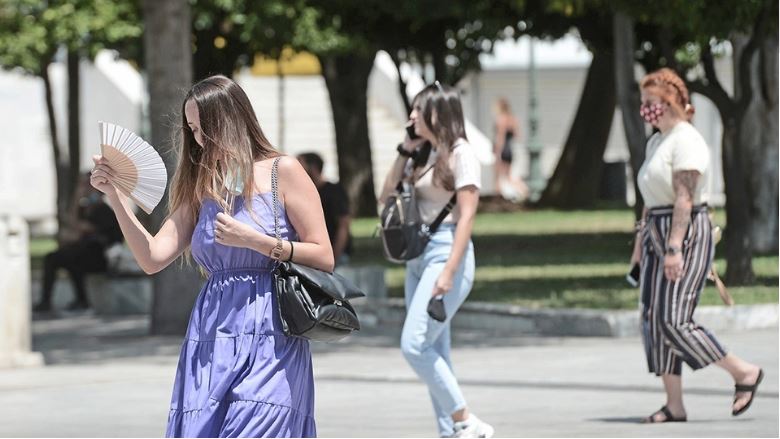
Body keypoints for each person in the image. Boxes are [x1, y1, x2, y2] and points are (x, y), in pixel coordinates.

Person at [90, 75, 333, 437]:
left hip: (273, 330)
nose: (199, 139)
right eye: (192, 130)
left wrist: (256, 241)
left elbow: (323, 255)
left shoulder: (284, 171)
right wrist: (117, 200)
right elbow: (153, 257)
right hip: (213, 331)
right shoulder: (201, 184)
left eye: (205, 127)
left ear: (232, 120)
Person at [631, 68, 763, 423]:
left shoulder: (686, 140)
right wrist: (640, 245)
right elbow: (649, 198)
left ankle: (743, 372)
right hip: (656, 230)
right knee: (654, 321)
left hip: (685, 232)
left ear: (669, 101)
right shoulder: (656, 141)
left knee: (674, 320)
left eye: (649, 102)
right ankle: (674, 405)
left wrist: (674, 247)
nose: (644, 109)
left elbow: (684, 198)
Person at [379, 82, 494, 438]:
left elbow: (468, 216)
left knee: (414, 345)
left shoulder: (461, 153)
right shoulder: (424, 152)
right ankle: (452, 432)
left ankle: (466, 420)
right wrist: (404, 152)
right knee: (434, 348)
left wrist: (448, 270)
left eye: (417, 109)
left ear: (436, 113)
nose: (411, 115)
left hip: (446, 253)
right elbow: (385, 196)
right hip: (418, 258)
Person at [33, 172, 123, 312]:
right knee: (60, 258)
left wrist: (76, 199)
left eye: (86, 185)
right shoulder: (85, 209)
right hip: (85, 254)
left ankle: (79, 301)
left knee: (66, 259)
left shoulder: (103, 211)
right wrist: (77, 198)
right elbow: (72, 226)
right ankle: (74, 301)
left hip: (103, 258)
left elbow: (78, 228)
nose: (84, 189)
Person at [297, 152, 352, 266]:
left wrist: (334, 256)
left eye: (300, 166)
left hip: (335, 255)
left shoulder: (334, 191)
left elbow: (343, 225)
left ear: (313, 168)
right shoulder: (302, 193)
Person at [492, 98, 528, 201]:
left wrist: (497, 153)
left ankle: (497, 199)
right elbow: (518, 135)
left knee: (498, 176)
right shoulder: (513, 119)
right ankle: (523, 190)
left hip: (502, 150)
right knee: (509, 176)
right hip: (510, 149)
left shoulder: (500, 119)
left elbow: (500, 137)